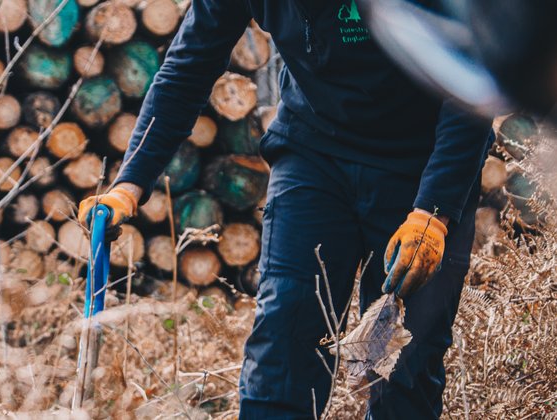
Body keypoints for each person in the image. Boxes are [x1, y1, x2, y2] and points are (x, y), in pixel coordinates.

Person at [76, 0, 494, 418]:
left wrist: (433, 211)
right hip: (313, 154)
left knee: (404, 366)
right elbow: (187, 67)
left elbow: (469, 77)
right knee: (283, 339)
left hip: (419, 165)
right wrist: (128, 187)